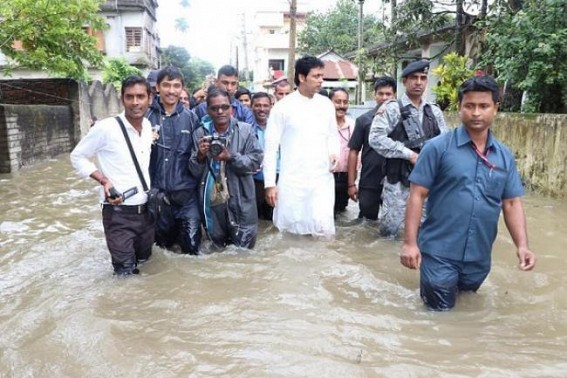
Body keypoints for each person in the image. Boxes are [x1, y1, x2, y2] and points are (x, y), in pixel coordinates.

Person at [401, 75, 537, 311]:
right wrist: (410, 243)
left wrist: (522, 246)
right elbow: (417, 195)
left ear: (495, 108)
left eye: (483, 106)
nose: (476, 113)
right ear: (460, 108)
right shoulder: (437, 148)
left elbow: (512, 203)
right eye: (469, 106)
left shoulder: (504, 156)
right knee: (440, 317)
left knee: (466, 308)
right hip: (439, 253)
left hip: (479, 258)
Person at [70, 75, 154, 276]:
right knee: (124, 273)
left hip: (146, 212)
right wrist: (104, 180)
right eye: (130, 97)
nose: (135, 102)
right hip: (117, 214)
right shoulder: (106, 128)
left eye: (140, 96)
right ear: (121, 98)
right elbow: (77, 156)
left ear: (149, 99)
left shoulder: (148, 127)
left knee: (146, 264)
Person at [369, 60, 448, 238]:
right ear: (404, 81)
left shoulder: (434, 111)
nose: (419, 82)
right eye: (414, 78)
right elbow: (375, 138)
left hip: (427, 182)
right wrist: (409, 154)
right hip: (398, 182)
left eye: (423, 78)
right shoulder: (392, 108)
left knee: (424, 231)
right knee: (390, 233)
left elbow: (445, 144)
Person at [264, 56, 340, 237]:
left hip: (321, 179)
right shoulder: (282, 108)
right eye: (316, 76)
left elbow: (332, 135)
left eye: (322, 76)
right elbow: (271, 148)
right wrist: (269, 185)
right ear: (302, 77)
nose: (321, 80)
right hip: (292, 181)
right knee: (291, 230)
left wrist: (334, 153)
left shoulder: (326, 105)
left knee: (322, 229)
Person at [189, 88, 263, 249]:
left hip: (242, 198)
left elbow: (256, 162)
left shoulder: (245, 130)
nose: (220, 111)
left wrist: (230, 157)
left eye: (225, 107)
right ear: (207, 110)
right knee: (217, 250)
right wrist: (201, 156)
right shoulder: (200, 133)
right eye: (214, 108)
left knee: (245, 253)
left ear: (232, 108)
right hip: (212, 202)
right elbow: (193, 172)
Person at [146, 66, 202, 255]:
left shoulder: (192, 118)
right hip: (157, 198)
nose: (171, 90)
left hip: (187, 198)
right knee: (160, 251)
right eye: (166, 85)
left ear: (182, 88)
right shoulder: (145, 118)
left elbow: (198, 158)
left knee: (192, 250)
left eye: (176, 86)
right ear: (157, 87)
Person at [347, 76, 397, 220]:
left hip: (395, 180)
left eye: (388, 94)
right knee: (366, 223)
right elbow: (353, 151)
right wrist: (351, 184)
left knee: (393, 223)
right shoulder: (364, 120)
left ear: (394, 96)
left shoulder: (402, 120)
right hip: (370, 180)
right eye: (380, 94)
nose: (384, 97)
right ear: (375, 95)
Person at [329, 88, 355, 216]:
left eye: (345, 102)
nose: (342, 106)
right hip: (326, 177)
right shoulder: (322, 125)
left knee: (341, 213)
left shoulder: (353, 125)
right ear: (329, 103)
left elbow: (357, 156)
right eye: (338, 102)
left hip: (345, 178)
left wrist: (352, 183)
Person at [251, 91, 277, 220]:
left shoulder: (279, 128)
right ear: (251, 107)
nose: (262, 109)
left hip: (275, 181)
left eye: (265, 105)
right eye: (258, 105)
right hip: (253, 182)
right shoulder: (245, 129)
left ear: (271, 106)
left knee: (274, 222)